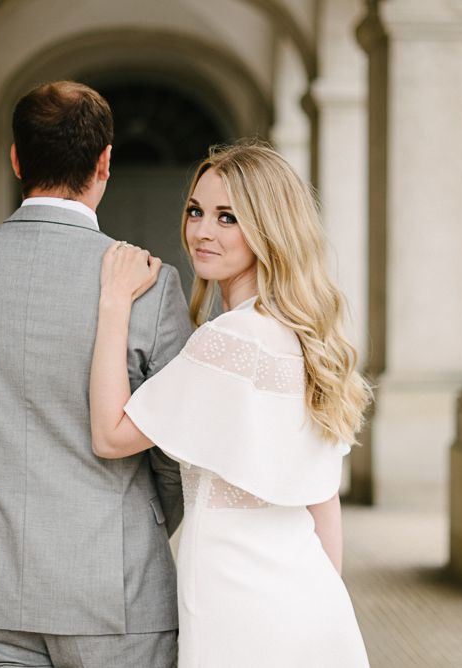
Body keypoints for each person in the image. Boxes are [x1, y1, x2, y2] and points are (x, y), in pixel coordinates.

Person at [0, 81, 191, 668]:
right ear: (105, 161)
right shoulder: (148, 283)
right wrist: (139, 527)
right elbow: (172, 449)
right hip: (114, 586)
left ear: (16, 158)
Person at [90, 143, 372, 667]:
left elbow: (110, 435)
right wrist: (327, 610)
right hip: (312, 596)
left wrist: (113, 304)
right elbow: (324, 504)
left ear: (268, 229)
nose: (201, 231)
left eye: (227, 218)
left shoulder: (229, 340)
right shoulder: (304, 338)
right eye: (196, 211)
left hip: (233, 596)